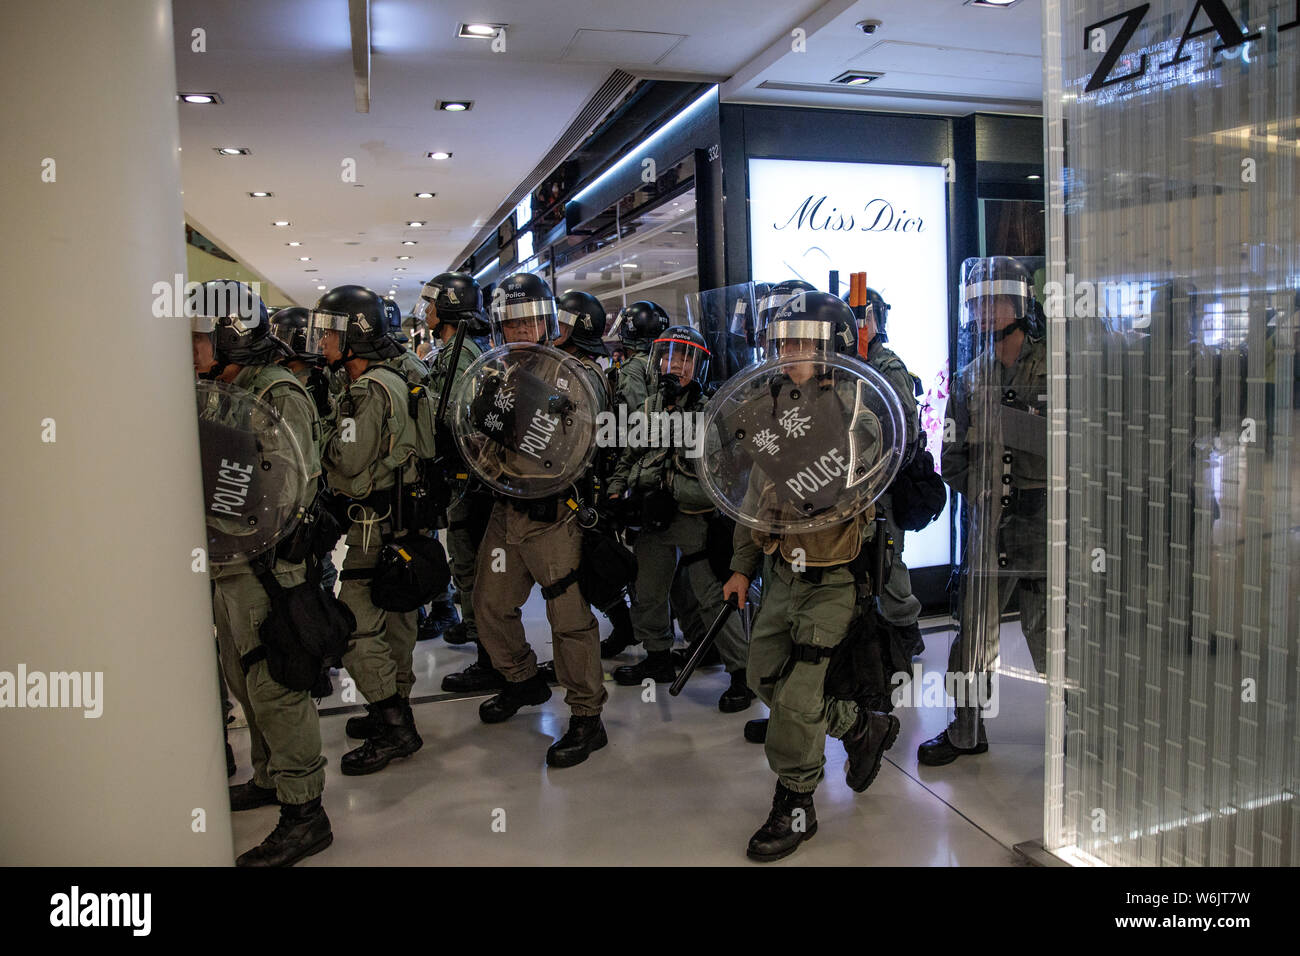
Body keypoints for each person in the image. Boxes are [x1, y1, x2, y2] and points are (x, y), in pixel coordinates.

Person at [716, 290, 904, 862]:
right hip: (782, 573)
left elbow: (833, 483)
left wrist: (781, 439)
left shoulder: (858, 413)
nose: (789, 352)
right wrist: (741, 569)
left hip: (834, 577)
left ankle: (796, 802)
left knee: (797, 700)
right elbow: (755, 499)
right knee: (763, 676)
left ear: (834, 350)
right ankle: (860, 726)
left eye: (804, 342)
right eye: (785, 340)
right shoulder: (770, 408)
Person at [192, 281, 332, 867]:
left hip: (268, 570)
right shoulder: (225, 392)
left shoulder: (277, 394)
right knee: (243, 678)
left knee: (275, 685)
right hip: (233, 566)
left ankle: (306, 813)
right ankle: (272, 776)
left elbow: (290, 490)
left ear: (231, 335)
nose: (191, 353)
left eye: (198, 340)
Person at [467, 272, 609, 767]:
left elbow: (588, 443)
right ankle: (522, 680)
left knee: (568, 621)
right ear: (498, 329)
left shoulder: (575, 376)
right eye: (511, 322)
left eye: (529, 320)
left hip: (556, 516)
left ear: (547, 322)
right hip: (507, 510)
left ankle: (588, 717)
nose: (521, 331)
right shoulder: (493, 375)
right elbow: (480, 440)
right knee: (489, 604)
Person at [921, 257, 1047, 766]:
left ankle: (1081, 727)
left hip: (1045, 521)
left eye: (995, 300)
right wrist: (982, 493)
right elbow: (952, 455)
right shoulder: (970, 377)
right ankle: (966, 729)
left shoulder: (1059, 365)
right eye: (976, 303)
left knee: (1051, 629)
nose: (984, 312)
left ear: (1020, 304)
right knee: (974, 630)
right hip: (990, 523)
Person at [607, 326, 754, 712]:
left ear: (698, 366)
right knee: (649, 589)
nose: (676, 365)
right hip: (652, 516)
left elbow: (726, 478)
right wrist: (616, 490)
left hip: (694, 517)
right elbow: (628, 456)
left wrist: (673, 489)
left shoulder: (712, 413)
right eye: (670, 356)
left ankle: (742, 673)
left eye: (686, 358)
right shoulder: (649, 408)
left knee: (712, 597)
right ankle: (657, 657)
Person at [309, 284, 424, 774]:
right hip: (401, 521)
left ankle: (395, 724)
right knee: (394, 618)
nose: (323, 343)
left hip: (373, 523)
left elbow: (348, 459)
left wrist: (321, 445)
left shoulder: (365, 391)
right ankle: (394, 706)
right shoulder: (392, 378)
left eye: (331, 334)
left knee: (355, 623)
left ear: (355, 337)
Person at [412, 272, 502, 691]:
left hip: (470, 482)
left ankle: (492, 662)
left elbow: (461, 415)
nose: (427, 311)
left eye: (433, 303)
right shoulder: (462, 348)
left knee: (471, 569)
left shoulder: (458, 353)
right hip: (469, 479)